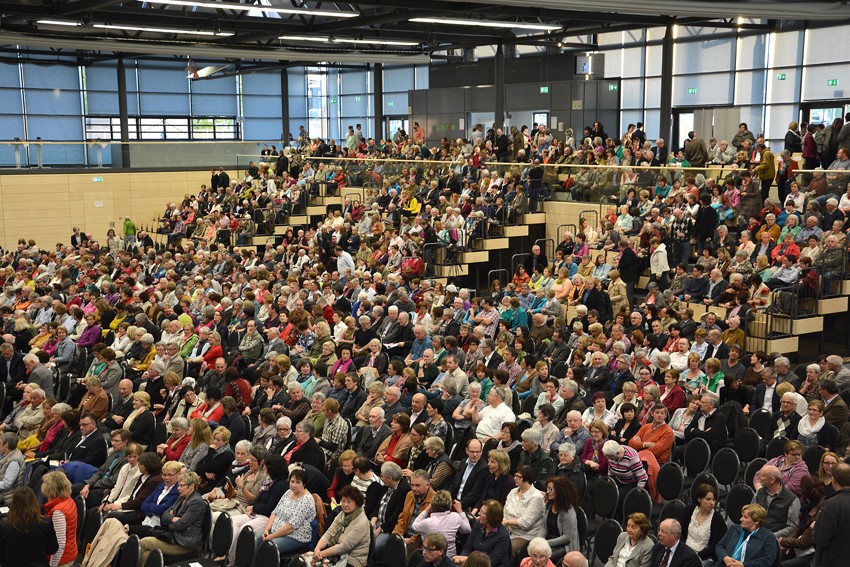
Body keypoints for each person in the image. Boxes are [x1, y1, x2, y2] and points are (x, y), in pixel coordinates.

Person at [138, 471, 206, 566]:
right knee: (146, 554)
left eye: (182, 486)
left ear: (192, 486)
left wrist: (172, 520)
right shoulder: (181, 498)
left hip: (185, 543)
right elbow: (164, 515)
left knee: (144, 542)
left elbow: (180, 525)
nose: (178, 488)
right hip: (174, 537)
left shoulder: (196, 502)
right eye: (178, 485)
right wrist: (174, 519)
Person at [259, 467, 316, 555]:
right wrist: (266, 530)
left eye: (298, 482)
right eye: (292, 481)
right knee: (255, 538)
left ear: (304, 484)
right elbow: (274, 512)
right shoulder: (288, 492)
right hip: (276, 530)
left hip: (295, 536)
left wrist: (271, 537)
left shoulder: (306, 500)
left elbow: (290, 527)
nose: (294, 485)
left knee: (268, 547)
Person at [312, 485, 370, 567]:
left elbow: (343, 547)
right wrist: (317, 549)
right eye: (343, 501)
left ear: (357, 504)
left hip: (352, 560)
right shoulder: (342, 514)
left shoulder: (361, 522)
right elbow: (329, 533)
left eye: (349, 502)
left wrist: (321, 554)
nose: (345, 505)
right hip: (337, 553)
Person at [0, 486, 58, 567]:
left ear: (14, 503)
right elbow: (53, 549)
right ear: (34, 502)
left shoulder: (4, 525)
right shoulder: (45, 523)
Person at [411, 489, 471, 560]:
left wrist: (428, 508)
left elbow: (414, 525)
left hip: (431, 560)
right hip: (451, 560)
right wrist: (460, 510)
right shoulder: (455, 517)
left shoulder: (427, 523)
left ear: (433, 504)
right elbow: (467, 529)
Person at [812, 462, 850, 567]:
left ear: (833, 480)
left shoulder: (831, 504)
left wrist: (816, 527)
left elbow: (821, 539)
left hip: (832, 561)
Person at [504, 465, 546, 557]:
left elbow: (525, 523)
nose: (515, 478)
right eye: (515, 475)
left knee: (505, 549)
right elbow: (505, 512)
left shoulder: (536, 497)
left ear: (527, 479)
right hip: (508, 530)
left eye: (518, 476)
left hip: (525, 535)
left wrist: (507, 522)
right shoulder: (512, 492)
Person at [454, 499, 512, 567]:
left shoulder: (503, 536)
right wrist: (460, 560)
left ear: (491, 517)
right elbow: (467, 548)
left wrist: (466, 560)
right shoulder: (478, 525)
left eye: (482, 512)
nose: (478, 513)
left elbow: (492, 562)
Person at [679, 484, 727, 564]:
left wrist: (695, 556)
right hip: (685, 551)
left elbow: (714, 546)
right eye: (708, 499)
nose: (712, 503)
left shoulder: (717, 519)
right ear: (699, 499)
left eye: (713, 500)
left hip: (705, 557)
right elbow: (681, 532)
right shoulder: (689, 510)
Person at [41, 470, 78, 567]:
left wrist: (52, 565)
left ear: (51, 490)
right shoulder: (69, 500)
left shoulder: (58, 512)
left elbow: (59, 544)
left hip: (62, 560)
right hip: (70, 552)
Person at [752, 465, 800, 537]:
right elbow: (750, 513)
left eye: (762, 476)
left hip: (775, 539)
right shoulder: (760, 493)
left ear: (772, 480)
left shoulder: (792, 499)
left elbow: (792, 527)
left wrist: (772, 536)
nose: (759, 478)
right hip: (757, 534)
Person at [543, 476, 581, 563]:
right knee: (529, 549)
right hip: (549, 540)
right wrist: (538, 540)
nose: (547, 492)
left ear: (559, 492)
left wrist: (546, 543)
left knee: (542, 557)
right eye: (547, 488)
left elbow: (567, 537)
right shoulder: (549, 505)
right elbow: (543, 527)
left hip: (563, 545)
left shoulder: (568, 511)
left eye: (550, 489)